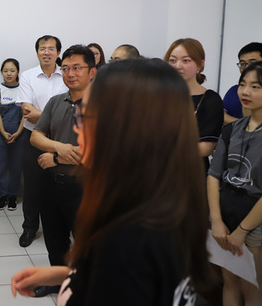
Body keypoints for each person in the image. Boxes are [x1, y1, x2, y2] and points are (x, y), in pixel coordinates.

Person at [11, 58, 212, 305]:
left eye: (88, 114)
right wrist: (65, 275)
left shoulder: (127, 239)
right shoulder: (162, 202)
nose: (78, 127)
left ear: (125, 128)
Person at [31, 45, 96, 273]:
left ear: (92, 72)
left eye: (77, 68)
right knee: (55, 240)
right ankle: (59, 282)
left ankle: (84, 286)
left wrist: (57, 158)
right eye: (66, 68)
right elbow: (36, 136)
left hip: (86, 187)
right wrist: (59, 147)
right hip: (51, 185)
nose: (70, 73)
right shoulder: (55, 101)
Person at [208, 61, 262, 305]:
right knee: (228, 281)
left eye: (255, 86)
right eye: (242, 84)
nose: (245, 92)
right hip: (225, 214)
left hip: (253, 222)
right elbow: (214, 175)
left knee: (251, 288)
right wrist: (216, 220)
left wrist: (242, 231)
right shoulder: (232, 129)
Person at [17, 35, 67, 248]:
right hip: (33, 139)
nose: (46, 52)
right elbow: (27, 111)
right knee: (32, 186)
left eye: (51, 48)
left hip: (61, 138)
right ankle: (29, 228)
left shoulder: (67, 75)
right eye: (42, 48)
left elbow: (73, 108)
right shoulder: (27, 76)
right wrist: (57, 116)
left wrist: (43, 116)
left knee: (61, 185)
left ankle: (58, 228)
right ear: (37, 52)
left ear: (58, 52)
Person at [164, 38, 223, 171]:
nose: (178, 66)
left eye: (186, 61)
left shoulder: (210, 100)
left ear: (200, 65)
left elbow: (206, 148)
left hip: (191, 171)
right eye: (172, 60)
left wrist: (162, 148)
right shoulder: (161, 95)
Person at [0, 58, 25, 211]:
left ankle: (13, 196)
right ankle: (3, 196)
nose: (9, 74)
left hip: (20, 134)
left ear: (18, 72)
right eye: (5, 71)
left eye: (12, 70)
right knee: (0, 167)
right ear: (2, 73)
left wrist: (18, 133)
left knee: (16, 167)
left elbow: (25, 114)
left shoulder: (23, 89)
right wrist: (4, 132)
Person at [223, 42, 262, 125]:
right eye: (242, 64)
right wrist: (243, 126)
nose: (247, 67)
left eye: (252, 63)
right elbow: (221, 116)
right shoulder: (234, 90)